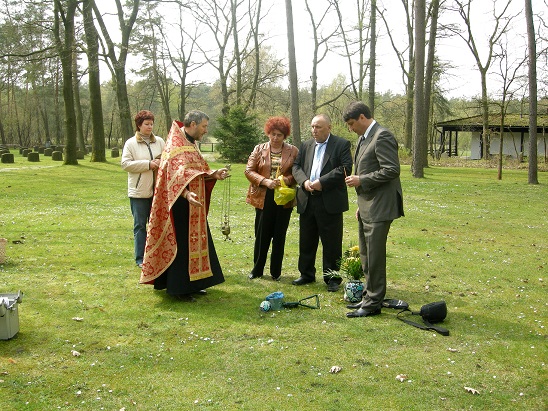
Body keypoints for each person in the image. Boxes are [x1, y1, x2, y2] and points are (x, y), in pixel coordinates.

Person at [139, 110, 229, 302]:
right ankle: (179, 288)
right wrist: (187, 194)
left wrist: (213, 174)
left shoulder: (190, 143)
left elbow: (196, 170)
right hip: (177, 206)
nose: (206, 130)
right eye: (204, 126)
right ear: (193, 124)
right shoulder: (175, 145)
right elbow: (173, 177)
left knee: (195, 244)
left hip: (194, 205)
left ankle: (195, 284)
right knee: (181, 246)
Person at [343, 101, 404, 318]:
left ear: (362, 117)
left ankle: (373, 303)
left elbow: (392, 170)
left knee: (375, 256)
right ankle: (368, 297)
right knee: (366, 254)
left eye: (351, 123)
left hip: (381, 205)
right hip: (368, 205)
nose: (350, 129)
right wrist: (361, 204)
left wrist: (361, 180)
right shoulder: (363, 138)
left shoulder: (382, 135)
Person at [291, 114, 353, 292]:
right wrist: (304, 182)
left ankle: (332, 278)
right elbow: (296, 166)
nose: (314, 130)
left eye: (318, 127)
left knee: (332, 242)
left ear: (329, 127)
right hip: (307, 199)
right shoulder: (306, 145)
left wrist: (321, 182)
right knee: (307, 240)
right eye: (312, 127)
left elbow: (345, 169)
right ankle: (306, 274)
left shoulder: (341, 144)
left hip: (329, 200)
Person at [245, 116, 299, 281]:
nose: (275, 138)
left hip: (284, 197)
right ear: (268, 133)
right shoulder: (259, 149)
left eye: (279, 135)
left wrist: (286, 180)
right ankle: (257, 270)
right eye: (273, 134)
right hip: (263, 196)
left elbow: (297, 172)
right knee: (262, 234)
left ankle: (276, 272)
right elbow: (249, 170)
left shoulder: (293, 151)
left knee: (279, 235)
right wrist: (265, 181)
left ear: (285, 136)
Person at [121, 110, 165, 268]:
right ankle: (140, 259)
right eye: (146, 124)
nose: (150, 127)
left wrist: (160, 162)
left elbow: (167, 159)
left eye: (151, 123)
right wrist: (148, 164)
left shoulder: (159, 141)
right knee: (140, 225)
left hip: (158, 192)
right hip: (139, 192)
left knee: (157, 225)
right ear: (139, 125)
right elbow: (125, 164)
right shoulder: (130, 143)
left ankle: (157, 255)